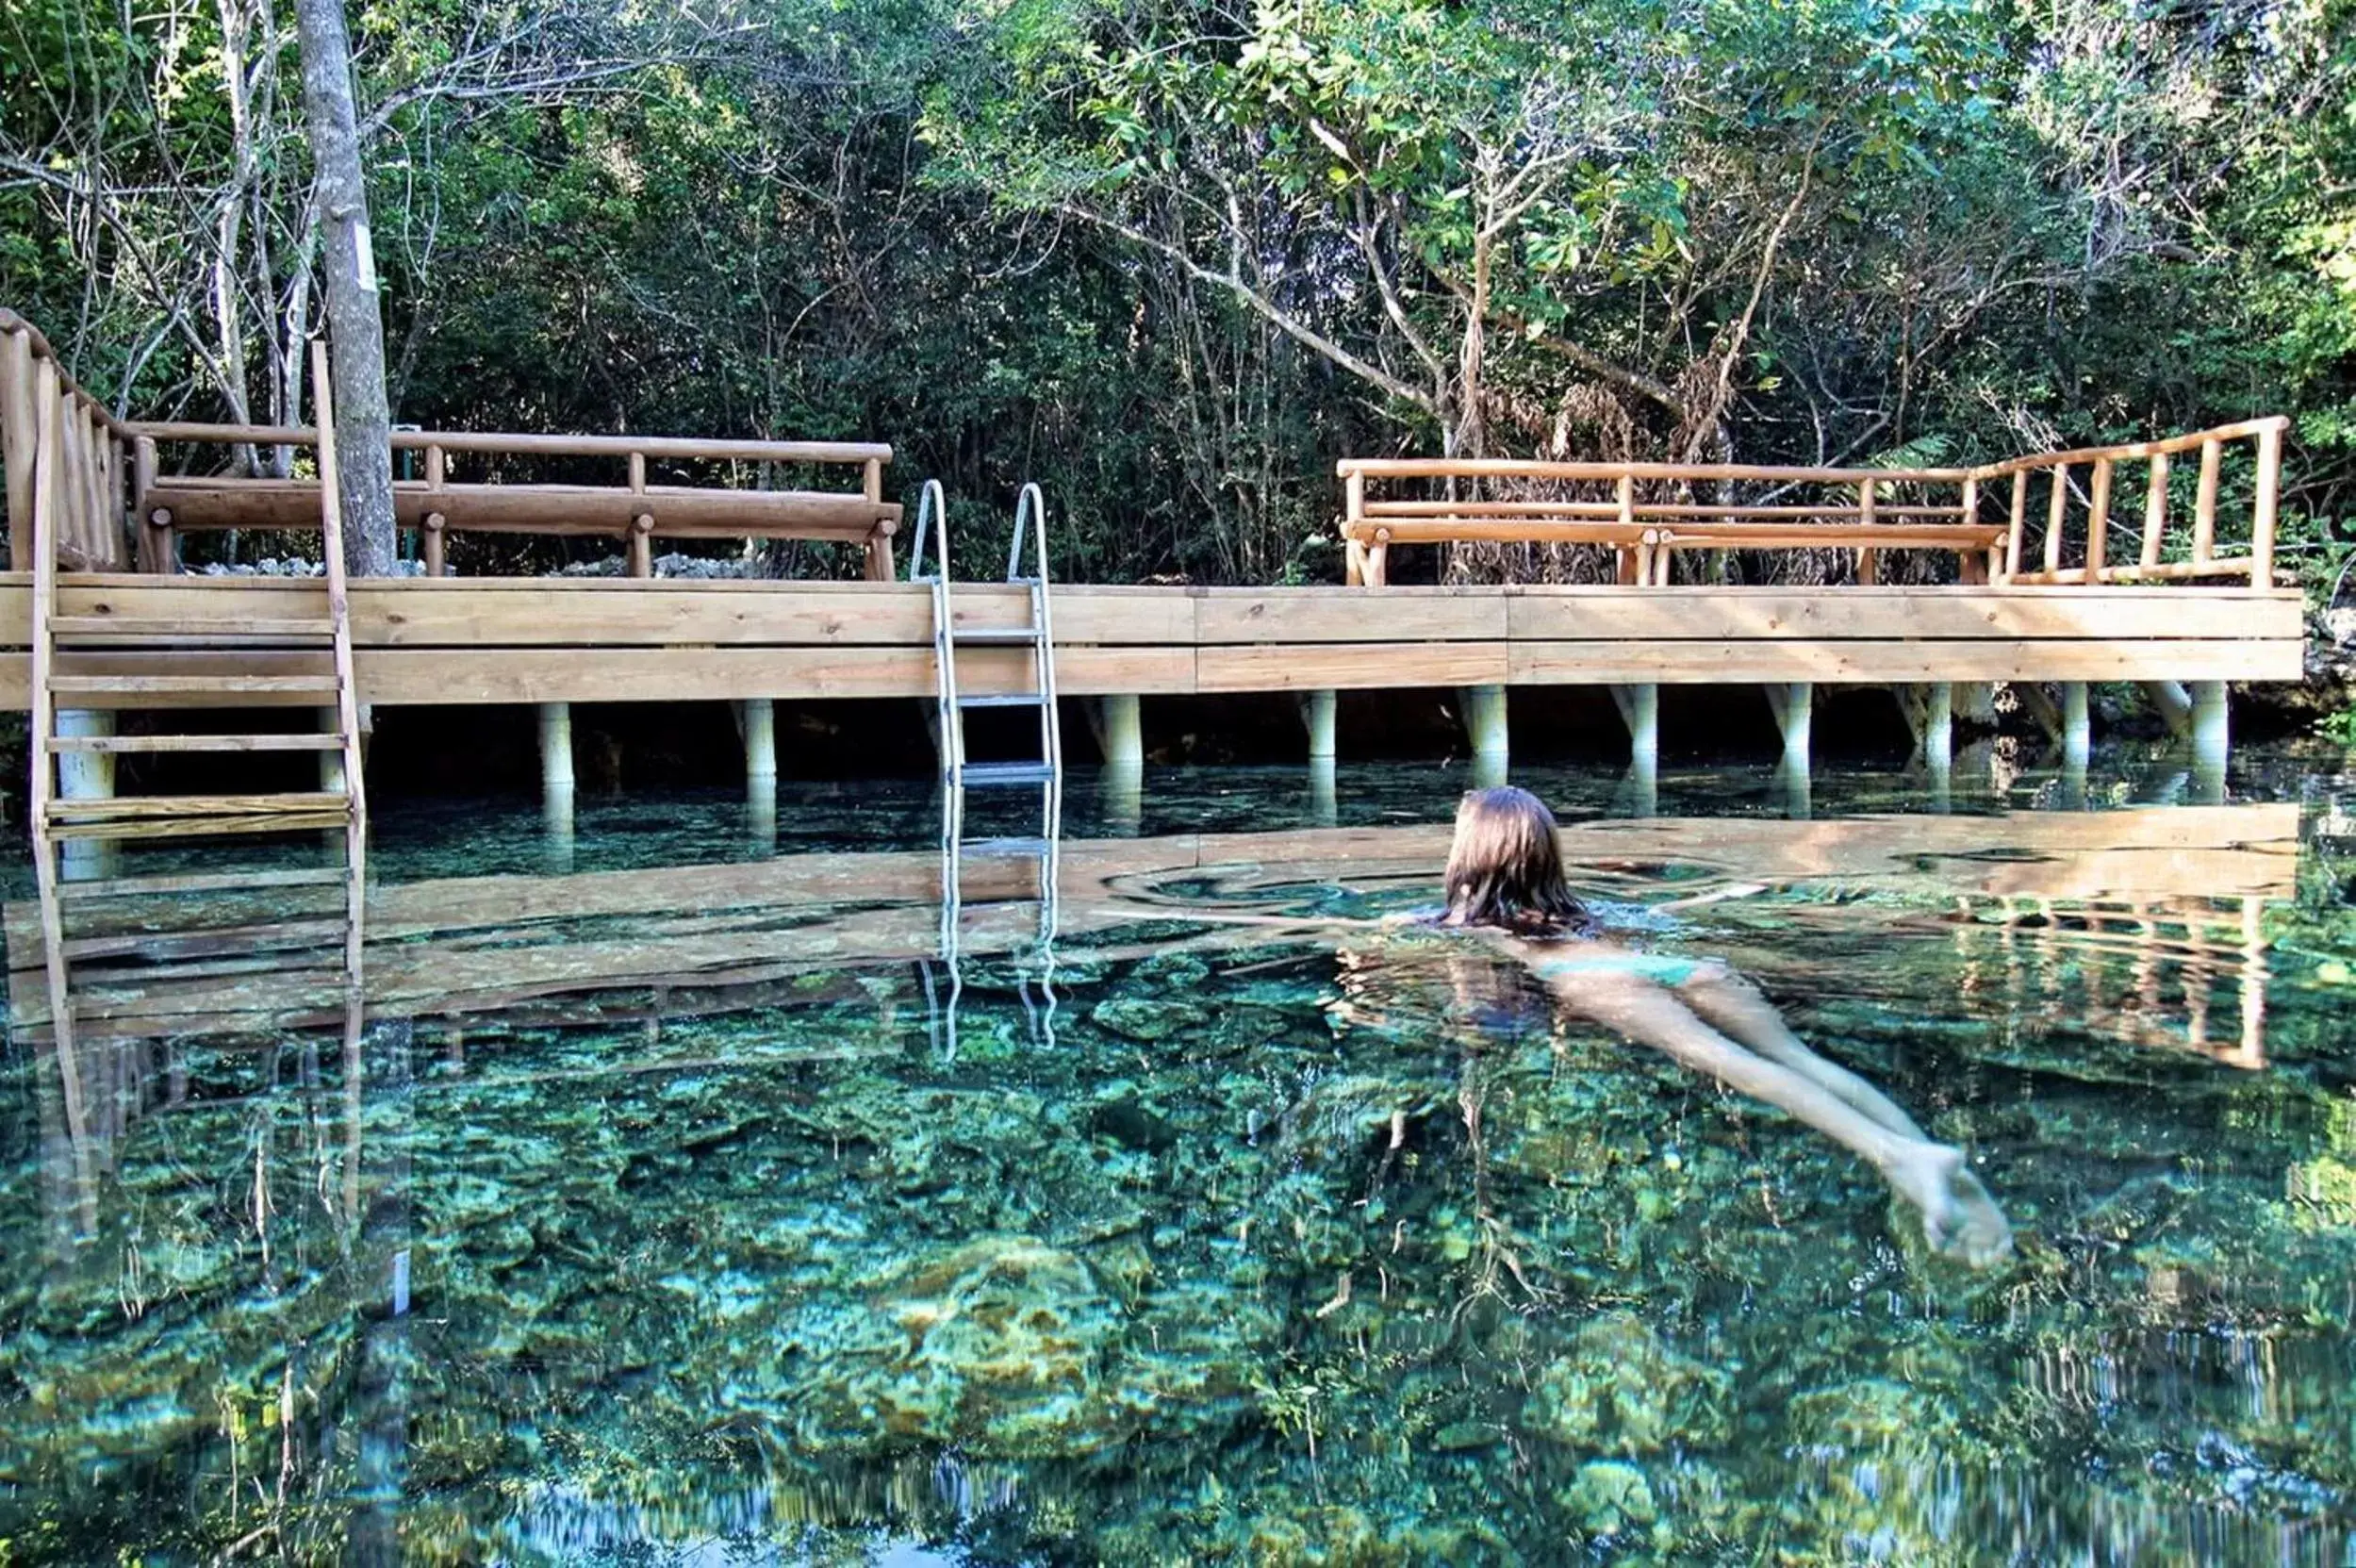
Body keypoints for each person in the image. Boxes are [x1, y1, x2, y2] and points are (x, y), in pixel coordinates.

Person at [1436, 785, 2013, 1267]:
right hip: (1681, 966)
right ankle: (1929, 1158)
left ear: (1472, 859)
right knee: (1803, 1062)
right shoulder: (1581, 909)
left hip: (1596, 976)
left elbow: (1373, 929)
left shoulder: (1467, 925)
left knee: (1730, 1063)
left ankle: (1895, 1156)